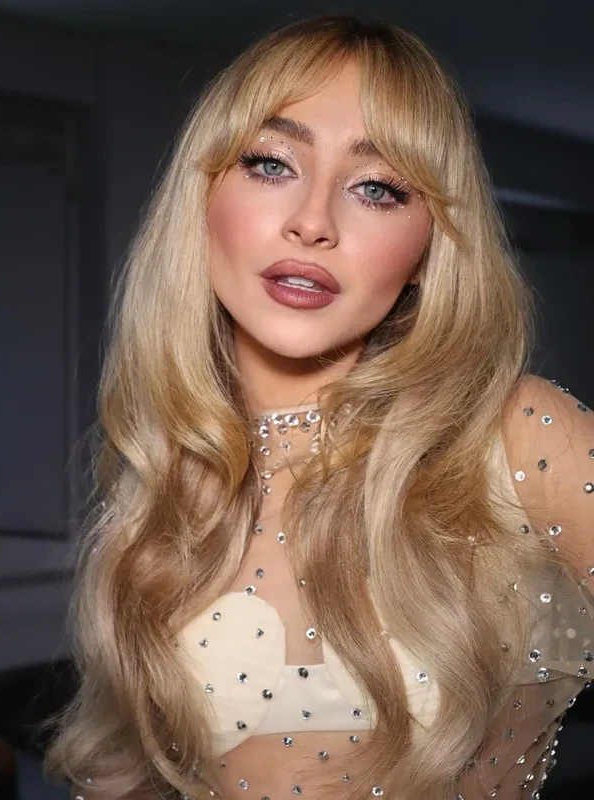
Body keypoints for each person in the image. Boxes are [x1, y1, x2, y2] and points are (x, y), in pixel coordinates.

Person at [43, 13, 594, 800]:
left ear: (428, 249)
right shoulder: (173, 474)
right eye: (271, 164)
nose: (312, 222)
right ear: (203, 197)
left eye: (378, 188)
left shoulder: (518, 439)